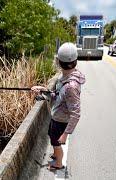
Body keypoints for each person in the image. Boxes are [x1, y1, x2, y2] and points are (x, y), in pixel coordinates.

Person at [31, 42, 86, 170]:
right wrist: (42, 89)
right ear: (75, 61)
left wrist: (65, 134)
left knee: (56, 143)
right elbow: (57, 95)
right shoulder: (64, 77)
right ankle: (56, 155)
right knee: (52, 137)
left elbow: (76, 114)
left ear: (59, 62)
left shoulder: (71, 86)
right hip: (57, 117)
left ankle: (59, 164)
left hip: (61, 121)